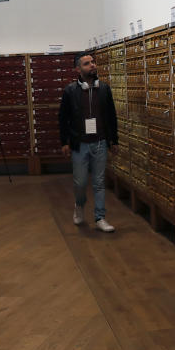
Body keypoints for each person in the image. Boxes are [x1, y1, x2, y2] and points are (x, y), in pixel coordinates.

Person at [59, 53, 118, 232]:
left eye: (93, 62)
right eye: (87, 64)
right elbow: (63, 119)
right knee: (80, 183)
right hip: (80, 144)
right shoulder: (70, 91)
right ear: (78, 69)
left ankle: (100, 217)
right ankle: (79, 204)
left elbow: (111, 116)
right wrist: (65, 142)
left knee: (99, 182)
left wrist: (113, 140)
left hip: (99, 142)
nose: (92, 65)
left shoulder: (104, 89)